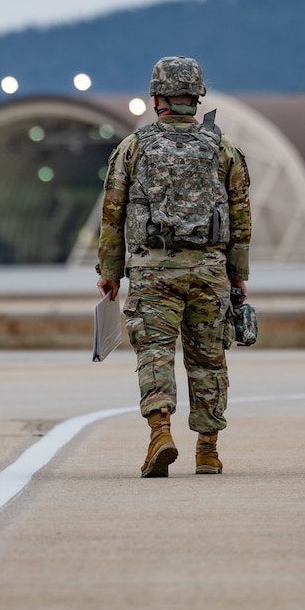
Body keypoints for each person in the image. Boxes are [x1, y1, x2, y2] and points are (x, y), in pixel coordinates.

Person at [96, 56, 252, 477]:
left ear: (156, 98)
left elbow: (113, 213)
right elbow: (240, 218)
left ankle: (160, 433)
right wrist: (238, 275)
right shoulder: (223, 150)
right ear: (197, 98)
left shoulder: (134, 147)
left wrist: (110, 272)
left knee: (156, 352)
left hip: (153, 272)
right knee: (209, 359)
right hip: (209, 271)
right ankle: (208, 450)